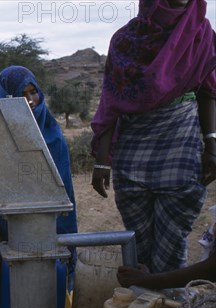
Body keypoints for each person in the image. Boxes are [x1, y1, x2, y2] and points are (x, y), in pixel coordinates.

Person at [91, 0, 216, 274]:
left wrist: (212, 146)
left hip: (181, 145)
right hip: (131, 153)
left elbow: (208, 91)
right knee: (139, 247)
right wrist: (102, 161)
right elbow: (111, 101)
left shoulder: (201, 33)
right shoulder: (125, 40)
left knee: (171, 246)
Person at [0, 66, 79, 266]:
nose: (29, 100)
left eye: (33, 92)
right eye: (20, 94)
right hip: (5, 234)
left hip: (51, 232)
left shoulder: (53, 137)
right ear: (4, 99)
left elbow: (63, 196)